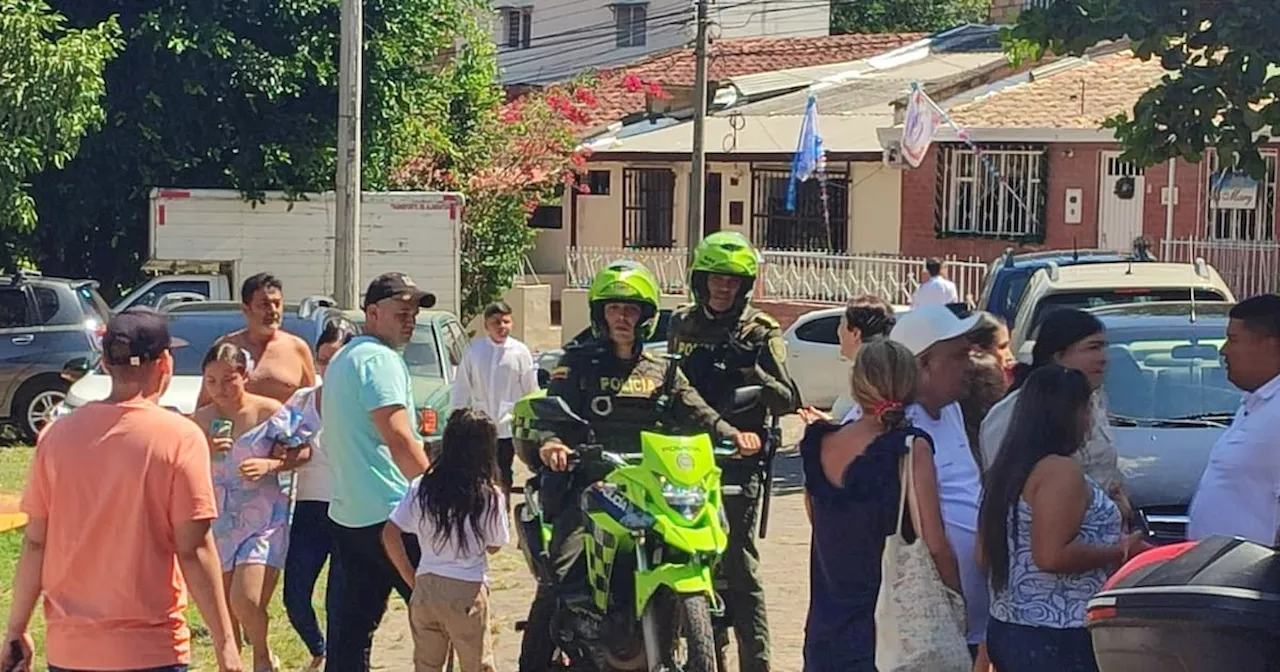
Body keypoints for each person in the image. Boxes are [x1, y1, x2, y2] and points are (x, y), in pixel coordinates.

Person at [519, 260, 755, 671]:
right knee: (560, 573)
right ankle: (534, 660)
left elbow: (697, 410)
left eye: (631, 310)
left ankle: (701, 635)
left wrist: (733, 434)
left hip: (650, 483)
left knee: (706, 553)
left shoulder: (663, 370)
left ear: (646, 317)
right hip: (592, 483)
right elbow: (547, 414)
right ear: (601, 314)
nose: (623, 317)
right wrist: (552, 444)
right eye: (614, 309)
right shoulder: (576, 363)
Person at [1, 307, 243, 672]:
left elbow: (36, 542)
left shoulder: (56, 437)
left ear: (105, 362)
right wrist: (226, 644)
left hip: (71, 651)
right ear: (164, 363)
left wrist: (16, 629)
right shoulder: (180, 438)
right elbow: (193, 548)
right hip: (153, 649)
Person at [667, 231, 799, 672]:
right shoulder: (681, 323)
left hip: (738, 457)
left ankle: (755, 662)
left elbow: (787, 399)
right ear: (700, 280)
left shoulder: (760, 330)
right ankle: (701, 648)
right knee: (680, 554)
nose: (723, 289)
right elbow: (670, 388)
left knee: (738, 566)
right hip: (683, 456)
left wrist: (754, 372)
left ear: (744, 286)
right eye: (715, 280)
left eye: (733, 282)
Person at [800, 339, 961, 671]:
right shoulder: (908, 449)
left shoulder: (817, 443)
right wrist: (958, 600)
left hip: (826, 624)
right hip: (889, 632)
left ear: (856, 384)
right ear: (910, 386)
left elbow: (817, 518)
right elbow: (935, 543)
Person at [978, 365, 1145, 672]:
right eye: (1087, 408)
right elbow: (1051, 555)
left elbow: (984, 552)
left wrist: (1114, 512)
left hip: (1010, 625)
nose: (1090, 420)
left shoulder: (1008, 470)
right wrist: (1120, 551)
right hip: (1060, 634)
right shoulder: (1061, 472)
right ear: (1068, 414)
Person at [323, 272, 434, 670]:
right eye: (401, 311)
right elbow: (400, 438)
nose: (410, 319)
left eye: (414, 312)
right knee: (442, 618)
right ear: (372, 313)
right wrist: (438, 498)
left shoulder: (345, 357)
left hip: (351, 513)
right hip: (394, 516)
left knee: (349, 636)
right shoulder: (379, 360)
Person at [194, 342, 312, 672]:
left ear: (244, 376)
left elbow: (304, 450)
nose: (220, 389)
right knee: (227, 611)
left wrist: (270, 465)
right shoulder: (199, 422)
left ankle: (261, 654)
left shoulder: (269, 411)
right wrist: (201, 448)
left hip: (264, 516)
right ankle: (236, 663)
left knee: (244, 601)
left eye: (229, 379)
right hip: (219, 521)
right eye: (211, 380)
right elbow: (174, 463)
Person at [888, 305, 989, 660]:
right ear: (923, 364)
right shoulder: (886, 427)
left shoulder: (951, 410)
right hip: (926, 626)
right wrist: (954, 598)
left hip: (970, 624)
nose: (970, 364)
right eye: (959, 355)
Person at [383, 408, 510, 672]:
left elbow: (390, 533)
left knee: (427, 664)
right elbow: (496, 544)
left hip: (427, 585)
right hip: (467, 588)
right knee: (477, 664)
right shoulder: (488, 495)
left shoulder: (422, 487)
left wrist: (411, 576)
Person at [979, 309, 1129, 517]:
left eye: (1104, 347)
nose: (1103, 358)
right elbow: (1007, 492)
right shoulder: (1015, 411)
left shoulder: (1093, 400)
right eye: (1093, 348)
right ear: (1058, 356)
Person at [282, 323, 355, 670]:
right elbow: (279, 438)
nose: (327, 368)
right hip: (309, 506)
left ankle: (338, 661)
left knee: (339, 602)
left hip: (348, 506)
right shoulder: (301, 399)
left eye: (335, 360)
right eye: (322, 360)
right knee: (294, 596)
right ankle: (319, 647)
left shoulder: (361, 402)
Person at [1188, 294, 1280, 543]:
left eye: (1233, 339)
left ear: (1271, 345)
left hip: (1257, 575)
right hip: (1222, 569)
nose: (1224, 351)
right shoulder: (1257, 401)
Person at [451, 300, 540, 502]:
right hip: (480, 424)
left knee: (503, 470)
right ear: (486, 325)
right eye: (496, 322)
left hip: (507, 425)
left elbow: (530, 389)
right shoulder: (475, 351)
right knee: (479, 471)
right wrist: (456, 416)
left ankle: (503, 510)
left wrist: (534, 419)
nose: (502, 327)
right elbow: (462, 386)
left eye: (506, 322)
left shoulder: (520, 352)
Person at [198, 272, 317, 406]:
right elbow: (205, 404)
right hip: (239, 426)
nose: (273, 311)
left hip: (285, 425)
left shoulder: (297, 348)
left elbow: (311, 406)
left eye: (277, 304)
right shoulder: (227, 348)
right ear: (246, 309)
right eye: (264, 304)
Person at [826, 295, 897, 424]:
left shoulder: (869, 377)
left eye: (841, 323)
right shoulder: (887, 369)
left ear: (855, 333)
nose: (838, 331)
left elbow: (869, 427)